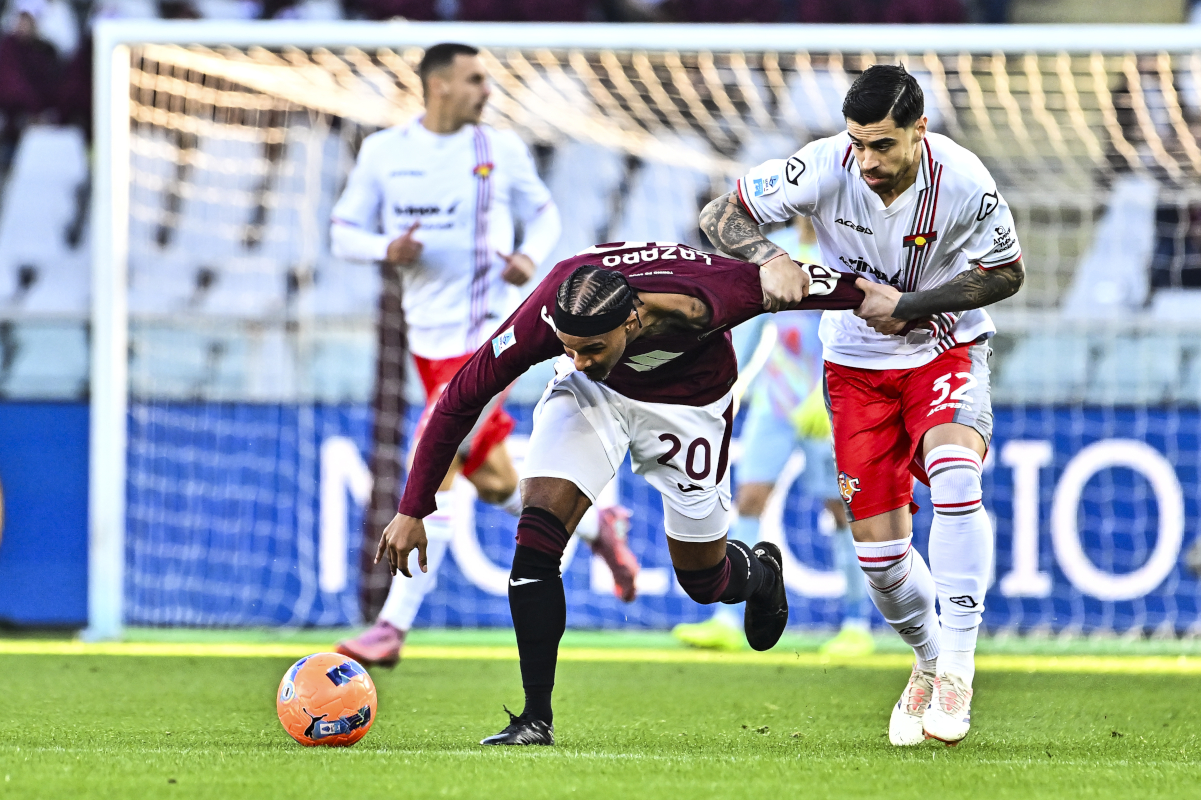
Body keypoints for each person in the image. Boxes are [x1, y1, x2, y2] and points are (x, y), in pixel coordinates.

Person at [375, 241, 866, 745]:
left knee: (703, 580)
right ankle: (534, 718)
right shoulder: (549, 313)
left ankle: (761, 574)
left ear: (631, 322)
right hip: (598, 397)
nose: (577, 358)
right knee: (536, 540)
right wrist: (413, 507)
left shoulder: (711, 294)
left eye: (590, 349)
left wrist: (912, 306)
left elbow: (848, 290)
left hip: (690, 404)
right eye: (567, 348)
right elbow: (459, 399)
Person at [700, 64, 1024, 746]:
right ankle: (928, 660)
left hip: (944, 349)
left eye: (881, 144)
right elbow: (720, 214)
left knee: (956, 477)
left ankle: (958, 667)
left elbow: (1006, 270)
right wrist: (768, 258)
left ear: (918, 131)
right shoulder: (822, 166)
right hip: (853, 369)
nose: (866, 160)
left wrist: (910, 306)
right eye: (857, 144)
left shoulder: (963, 179)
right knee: (879, 561)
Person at [329, 42, 638, 668]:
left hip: (487, 340)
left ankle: (391, 626)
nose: (486, 91)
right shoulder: (387, 153)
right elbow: (342, 231)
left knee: (435, 459)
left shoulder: (499, 150)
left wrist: (529, 256)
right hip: (428, 341)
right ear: (438, 85)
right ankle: (601, 522)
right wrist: (385, 248)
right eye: (474, 80)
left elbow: (546, 214)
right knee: (497, 482)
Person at [672, 218, 873, 656]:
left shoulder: (846, 251)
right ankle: (726, 617)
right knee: (748, 498)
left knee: (842, 509)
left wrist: (832, 392)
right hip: (776, 399)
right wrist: (730, 383)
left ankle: (857, 624)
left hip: (826, 402)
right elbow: (751, 320)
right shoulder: (775, 249)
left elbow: (856, 326)